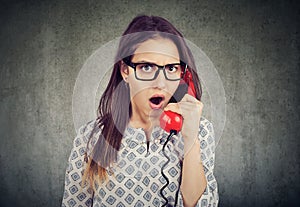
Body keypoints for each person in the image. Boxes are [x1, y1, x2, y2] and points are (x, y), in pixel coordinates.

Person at [61, 15, 218, 207]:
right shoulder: (90, 136)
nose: (160, 83)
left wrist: (190, 138)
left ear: (182, 75)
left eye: (171, 68)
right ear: (125, 71)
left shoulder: (200, 131)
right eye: (146, 67)